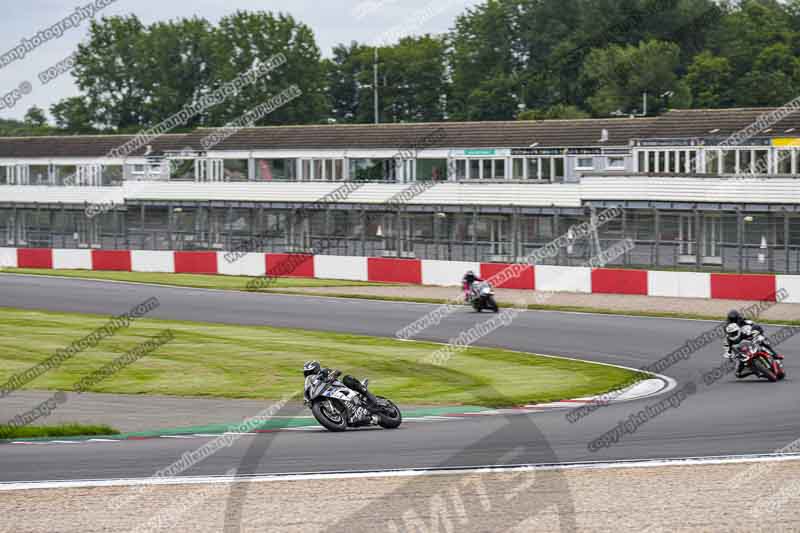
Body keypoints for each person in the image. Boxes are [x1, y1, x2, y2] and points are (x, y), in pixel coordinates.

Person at [723, 310, 782, 378]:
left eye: (734, 319)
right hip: (741, 350)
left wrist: (756, 332)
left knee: (762, 339)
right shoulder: (727, 329)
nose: (733, 321)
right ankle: (753, 370)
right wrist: (729, 354)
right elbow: (727, 348)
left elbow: (756, 326)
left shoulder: (744, 322)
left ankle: (775, 355)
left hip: (750, 338)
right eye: (731, 320)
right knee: (738, 374)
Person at [303, 360, 379, 408]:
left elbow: (338, 371)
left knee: (347, 378)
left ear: (316, 369)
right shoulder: (312, 383)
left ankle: (368, 394)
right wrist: (307, 400)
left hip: (340, 388)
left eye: (310, 372)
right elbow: (307, 395)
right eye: (307, 373)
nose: (309, 374)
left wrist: (332, 376)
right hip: (328, 395)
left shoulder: (324, 371)